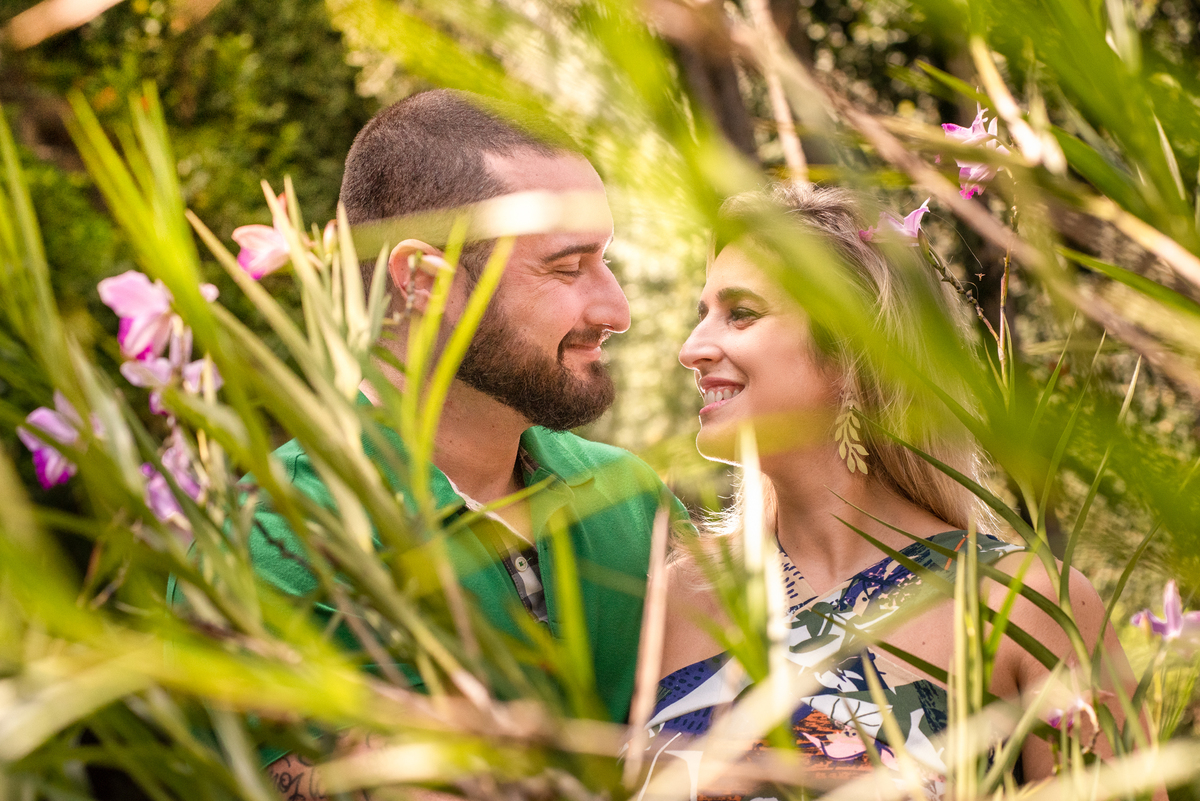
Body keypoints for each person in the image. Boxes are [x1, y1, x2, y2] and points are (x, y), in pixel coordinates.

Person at [250, 90, 690, 797]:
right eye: (567, 266)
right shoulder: (278, 532)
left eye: (605, 261)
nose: (617, 309)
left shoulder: (633, 498)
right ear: (423, 282)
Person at [636, 184, 1141, 800]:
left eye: (741, 313)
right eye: (702, 314)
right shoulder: (680, 593)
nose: (691, 350)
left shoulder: (1022, 605)